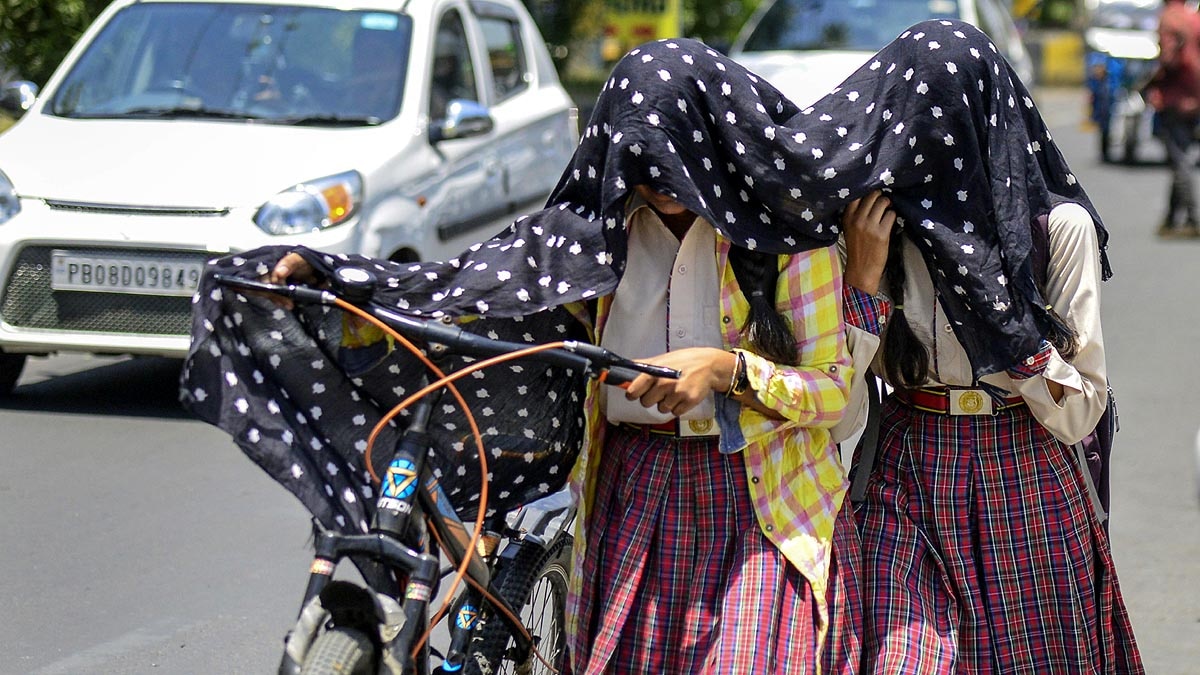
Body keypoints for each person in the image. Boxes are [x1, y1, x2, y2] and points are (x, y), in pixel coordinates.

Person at [186, 37, 863, 673]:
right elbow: (458, 288)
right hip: (634, 493)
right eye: (640, 164)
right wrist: (333, 276)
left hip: (759, 504)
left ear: (709, 145)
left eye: (672, 164)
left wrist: (726, 370)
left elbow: (832, 392)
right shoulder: (594, 230)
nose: (657, 183)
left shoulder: (787, 239)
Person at [816, 20, 1144, 675]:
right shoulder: (871, 228)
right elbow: (840, 417)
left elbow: (1081, 411)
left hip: (1028, 472)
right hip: (907, 466)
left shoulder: (1058, 230)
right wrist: (863, 282)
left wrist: (1007, 325)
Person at [1146, 0, 1200, 238]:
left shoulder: (1169, 18)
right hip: (1194, 96)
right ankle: (1170, 219)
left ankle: (1192, 217)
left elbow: (1169, 59)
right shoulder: (1192, 17)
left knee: (1180, 160)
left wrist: (1152, 82)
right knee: (1179, 157)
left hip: (1175, 98)